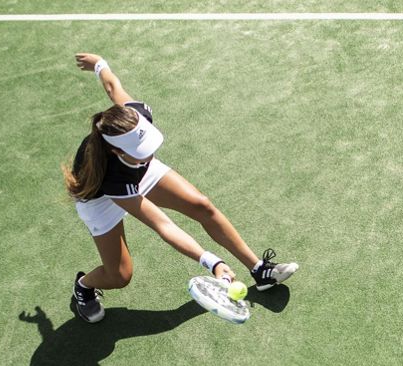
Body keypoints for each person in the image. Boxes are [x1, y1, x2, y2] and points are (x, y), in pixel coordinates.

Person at [62, 53, 298, 323]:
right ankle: (84, 286)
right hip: (101, 199)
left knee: (201, 205)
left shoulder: (134, 119)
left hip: (134, 168)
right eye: (143, 150)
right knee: (120, 276)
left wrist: (100, 64)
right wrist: (212, 262)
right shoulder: (110, 176)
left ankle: (259, 270)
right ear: (116, 150)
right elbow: (164, 226)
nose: (150, 153)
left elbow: (112, 87)